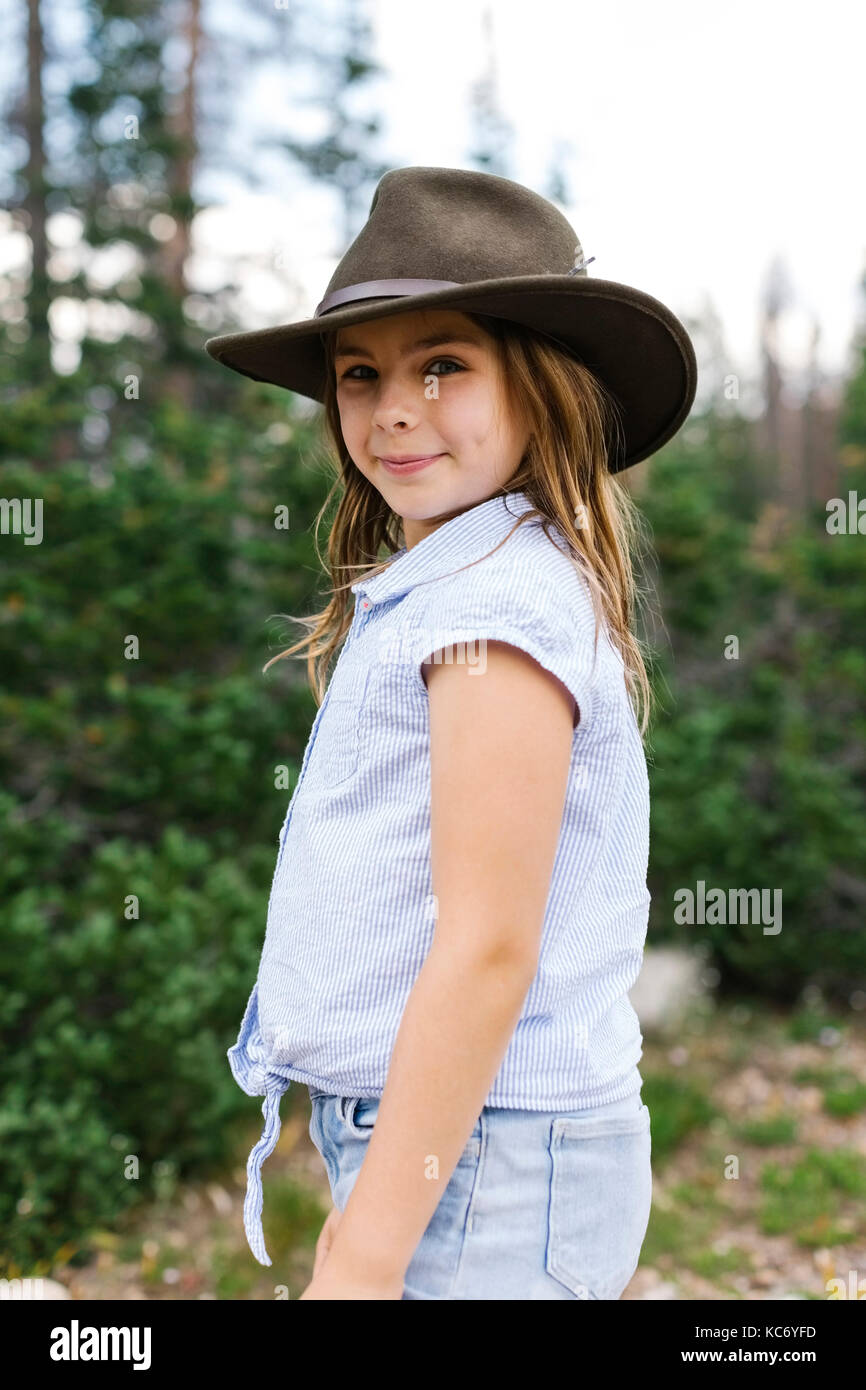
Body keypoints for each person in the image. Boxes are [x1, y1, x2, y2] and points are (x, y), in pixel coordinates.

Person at [205, 165, 697, 1299]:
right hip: (471, 1143)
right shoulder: (468, 579)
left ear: (541, 387)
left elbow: (486, 944)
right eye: (359, 373)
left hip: (484, 1152)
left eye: (443, 365)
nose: (391, 408)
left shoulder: (489, 606)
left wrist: (369, 1247)